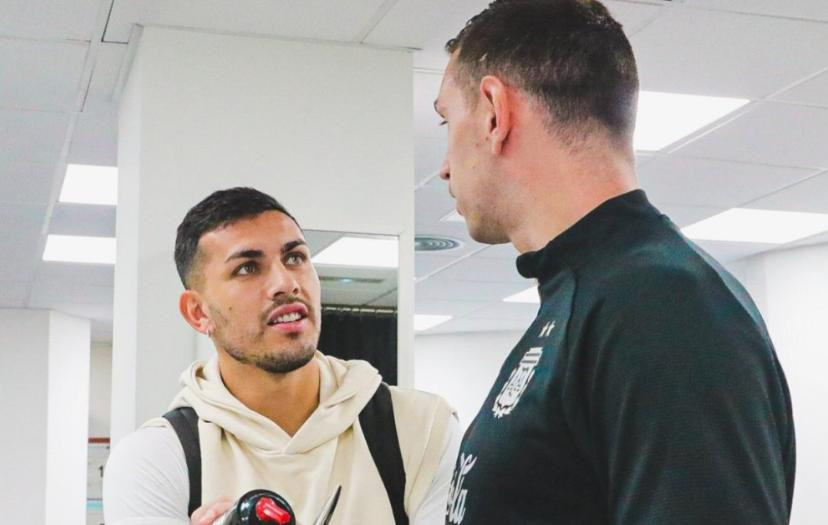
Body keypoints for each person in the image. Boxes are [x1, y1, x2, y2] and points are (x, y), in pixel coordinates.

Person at [434, 1, 795, 524]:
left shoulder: (661, 306)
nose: (444, 168)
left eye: (448, 120)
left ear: (493, 112)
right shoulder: (589, 297)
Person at [104, 187, 460, 525]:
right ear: (199, 313)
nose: (286, 283)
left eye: (295, 258)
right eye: (247, 268)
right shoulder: (155, 460)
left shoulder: (421, 427)